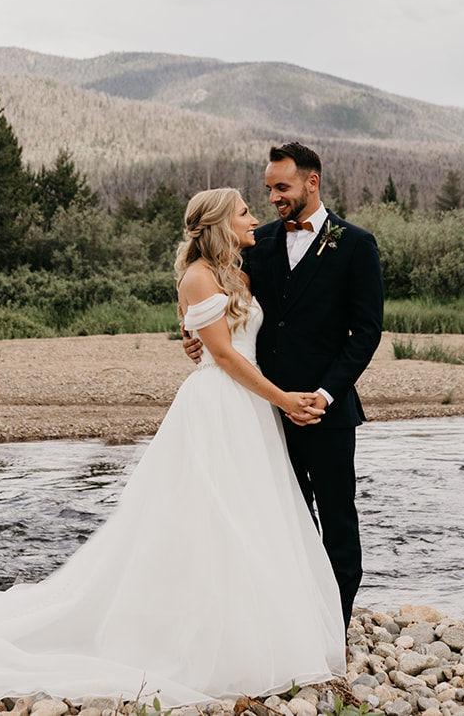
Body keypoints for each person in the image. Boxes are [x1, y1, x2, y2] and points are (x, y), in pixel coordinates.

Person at [0, 188, 345, 707]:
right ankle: (199, 642)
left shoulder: (235, 273)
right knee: (207, 520)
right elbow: (222, 357)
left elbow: (222, 336)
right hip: (220, 406)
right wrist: (284, 400)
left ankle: (256, 630)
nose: (256, 218)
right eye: (245, 212)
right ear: (222, 223)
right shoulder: (198, 276)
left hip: (247, 413)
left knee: (248, 518)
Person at [183, 142, 384, 629]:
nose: (273, 197)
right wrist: (192, 340)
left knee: (337, 520)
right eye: (268, 188)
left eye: (282, 187)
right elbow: (217, 305)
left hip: (326, 411)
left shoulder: (355, 244)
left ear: (311, 183)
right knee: (282, 520)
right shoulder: (259, 243)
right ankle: (291, 623)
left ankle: (334, 629)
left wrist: (326, 394)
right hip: (262, 413)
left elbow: (367, 332)